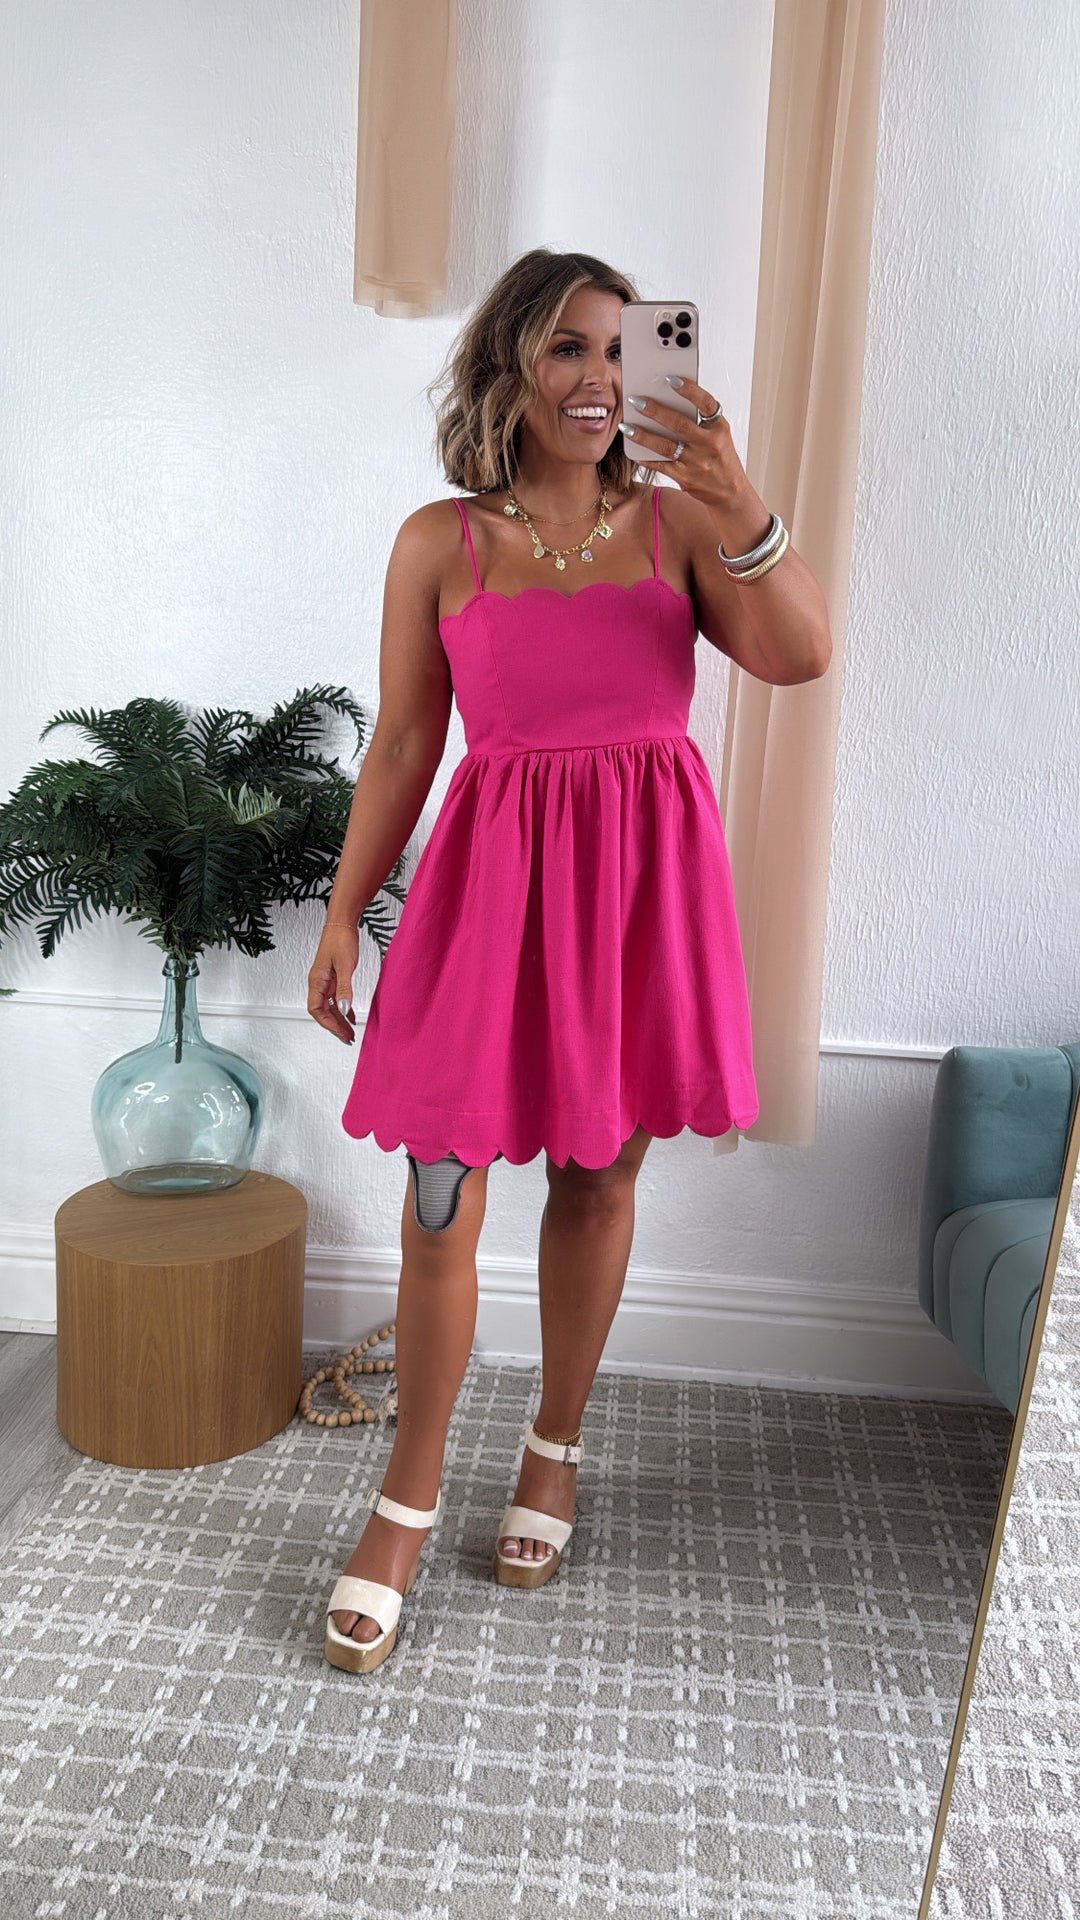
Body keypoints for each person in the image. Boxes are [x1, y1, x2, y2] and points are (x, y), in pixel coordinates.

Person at [307, 248, 831, 1674]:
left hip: (636, 904)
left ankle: (553, 1449)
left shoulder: (680, 525)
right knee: (439, 1201)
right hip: (484, 902)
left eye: (620, 350)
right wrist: (347, 911)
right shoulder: (439, 541)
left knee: (598, 1179)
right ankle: (405, 1506)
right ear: (511, 367)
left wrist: (739, 496)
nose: (599, 379)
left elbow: (798, 655)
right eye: (567, 349)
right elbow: (405, 745)